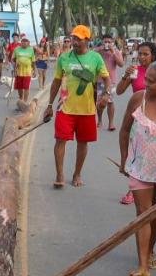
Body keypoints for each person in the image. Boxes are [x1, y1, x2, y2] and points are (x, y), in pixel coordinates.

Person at [118, 58, 156, 276]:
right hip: (139, 168)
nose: (147, 84)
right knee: (143, 213)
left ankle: (150, 249)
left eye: (152, 81)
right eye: (147, 79)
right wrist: (125, 159)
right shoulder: (137, 99)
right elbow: (124, 130)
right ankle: (143, 265)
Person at [43, 25, 110, 189]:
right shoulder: (64, 58)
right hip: (65, 107)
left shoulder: (95, 58)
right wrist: (50, 104)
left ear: (87, 40)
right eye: (73, 38)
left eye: (78, 39)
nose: (75, 42)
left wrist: (106, 94)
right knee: (60, 140)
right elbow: (57, 82)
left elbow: (106, 78)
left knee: (83, 143)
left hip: (87, 110)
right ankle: (59, 174)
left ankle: (77, 173)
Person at [11, 34, 37, 111]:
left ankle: (25, 103)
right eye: (23, 41)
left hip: (27, 72)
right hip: (19, 71)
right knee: (19, 88)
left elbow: (33, 61)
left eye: (26, 41)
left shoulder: (31, 50)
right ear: (21, 42)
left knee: (26, 87)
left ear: (28, 42)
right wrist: (14, 66)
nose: (25, 43)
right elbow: (12, 59)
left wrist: (34, 70)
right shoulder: (17, 49)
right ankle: (21, 101)